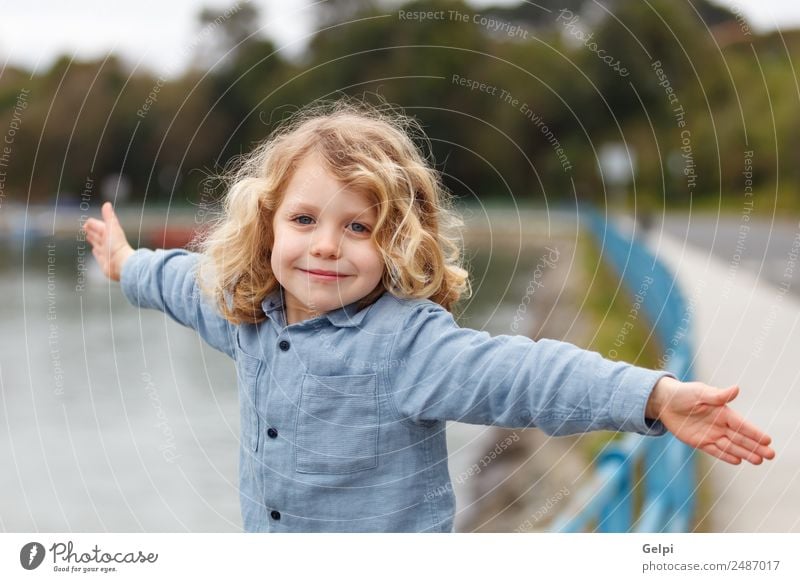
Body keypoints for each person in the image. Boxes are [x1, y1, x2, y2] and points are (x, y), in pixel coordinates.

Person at [82, 99, 775, 533]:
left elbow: (526, 374)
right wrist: (125, 265)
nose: (325, 244)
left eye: (359, 228)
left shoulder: (407, 346)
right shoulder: (248, 314)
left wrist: (650, 395)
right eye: (304, 219)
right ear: (267, 227)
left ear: (398, 243)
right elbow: (184, 282)